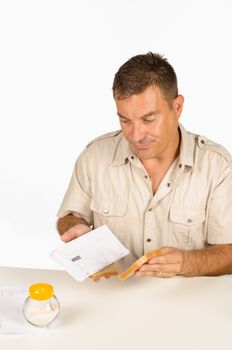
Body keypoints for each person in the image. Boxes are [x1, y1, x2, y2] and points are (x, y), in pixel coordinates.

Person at [56, 52, 232, 278]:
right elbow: (70, 217)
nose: (136, 135)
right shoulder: (94, 157)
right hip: (113, 299)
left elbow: (229, 254)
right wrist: (74, 229)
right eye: (125, 120)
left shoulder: (218, 167)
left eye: (148, 119)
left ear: (177, 107)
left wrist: (187, 262)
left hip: (188, 306)